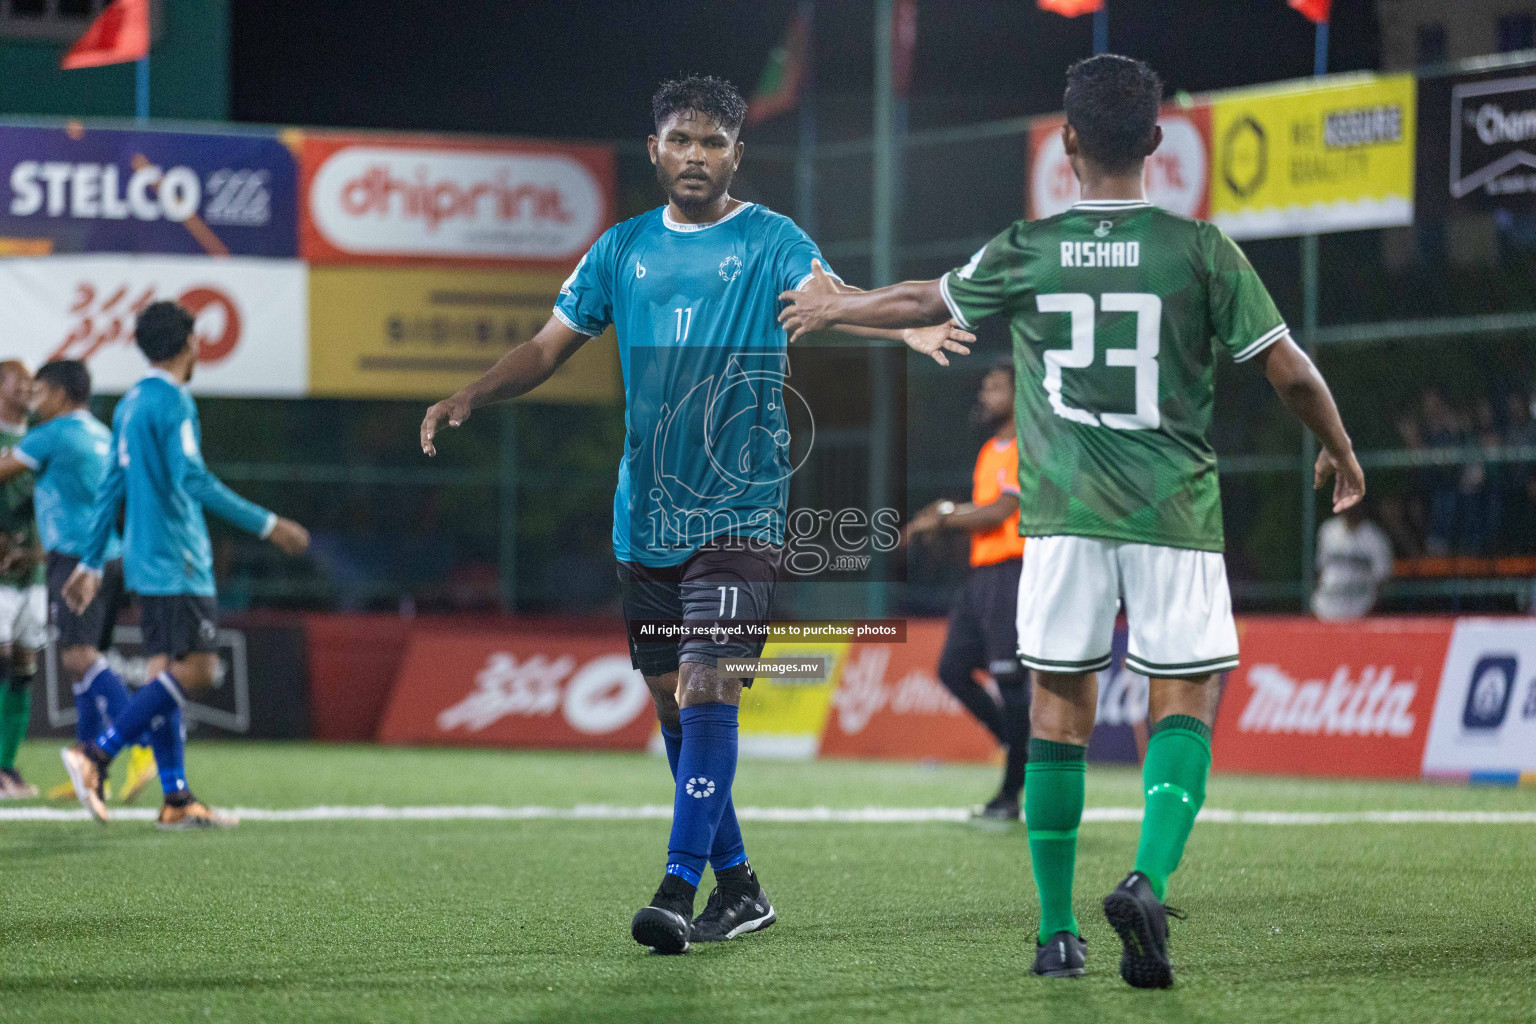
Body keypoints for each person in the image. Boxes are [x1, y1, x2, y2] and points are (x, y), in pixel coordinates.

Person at [779, 54, 1364, 987]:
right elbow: (1287, 367)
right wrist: (1337, 444)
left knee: (1058, 709)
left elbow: (929, 299)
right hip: (1174, 512)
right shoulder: (1202, 249)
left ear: (1069, 141)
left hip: (1060, 523)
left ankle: (1057, 934)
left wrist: (836, 303)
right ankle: (1147, 877)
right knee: (1186, 697)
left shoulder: (1030, 247)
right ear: (1159, 144)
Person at [420, 76, 972, 955]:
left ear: (736, 155)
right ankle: (741, 886)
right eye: (681, 139)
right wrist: (473, 394)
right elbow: (547, 347)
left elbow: (829, 296)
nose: (696, 156)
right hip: (644, 520)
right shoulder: (620, 250)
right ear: (655, 149)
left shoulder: (769, 239)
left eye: (713, 143)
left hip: (740, 514)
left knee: (711, 683)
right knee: (674, 706)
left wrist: (896, 327)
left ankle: (677, 890)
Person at [60, 301, 311, 829]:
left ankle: (175, 798)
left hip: (145, 559)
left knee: (161, 672)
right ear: (187, 344)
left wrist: (90, 562)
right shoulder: (173, 403)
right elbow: (192, 479)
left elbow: (110, 487)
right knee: (196, 668)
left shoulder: (129, 404)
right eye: (196, 339)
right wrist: (270, 524)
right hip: (180, 556)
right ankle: (98, 754)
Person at [0, 360, 157, 804]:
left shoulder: (53, 434)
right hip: (111, 558)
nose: (35, 397)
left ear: (61, 394)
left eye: (41, 390)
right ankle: (90, 769)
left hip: (74, 561)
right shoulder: (101, 434)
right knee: (85, 667)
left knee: (80, 658)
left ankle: (141, 743)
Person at [904, 359, 1029, 820]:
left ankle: (1011, 791)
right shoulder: (988, 451)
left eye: (995, 386)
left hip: (1012, 574)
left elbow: (999, 512)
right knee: (953, 668)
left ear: (1019, 394)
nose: (985, 394)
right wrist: (941, 515)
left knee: (1010, 681)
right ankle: (1021, 750)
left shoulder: (1026, 445)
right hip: (981, 579)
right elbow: (978, 509)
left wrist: (941, 518)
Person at [0, 360, 46, 799]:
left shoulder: (42, 441)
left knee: (23, 671)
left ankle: (6, 767)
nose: (31, 387)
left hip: (33, 574)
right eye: (21, 380)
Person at [1311, 502, 1393, 621]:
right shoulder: (1328, 530)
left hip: (1359, 607)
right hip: (1326, 606)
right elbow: (1320, 569)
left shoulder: (1375, 537)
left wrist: (1370, 607)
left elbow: (1382, 577)